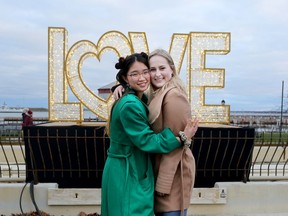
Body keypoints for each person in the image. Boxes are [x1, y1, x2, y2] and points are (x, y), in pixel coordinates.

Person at [101, 52, 198, 216]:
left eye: (145, 72)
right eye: (135, 74)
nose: (143, 77)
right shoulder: (131, 103)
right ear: (125, 77)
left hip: (129, 168)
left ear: (172, 70)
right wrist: (182, 137)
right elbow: (147, 140)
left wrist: (121, 87)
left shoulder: (159, 97)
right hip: (127, 170)